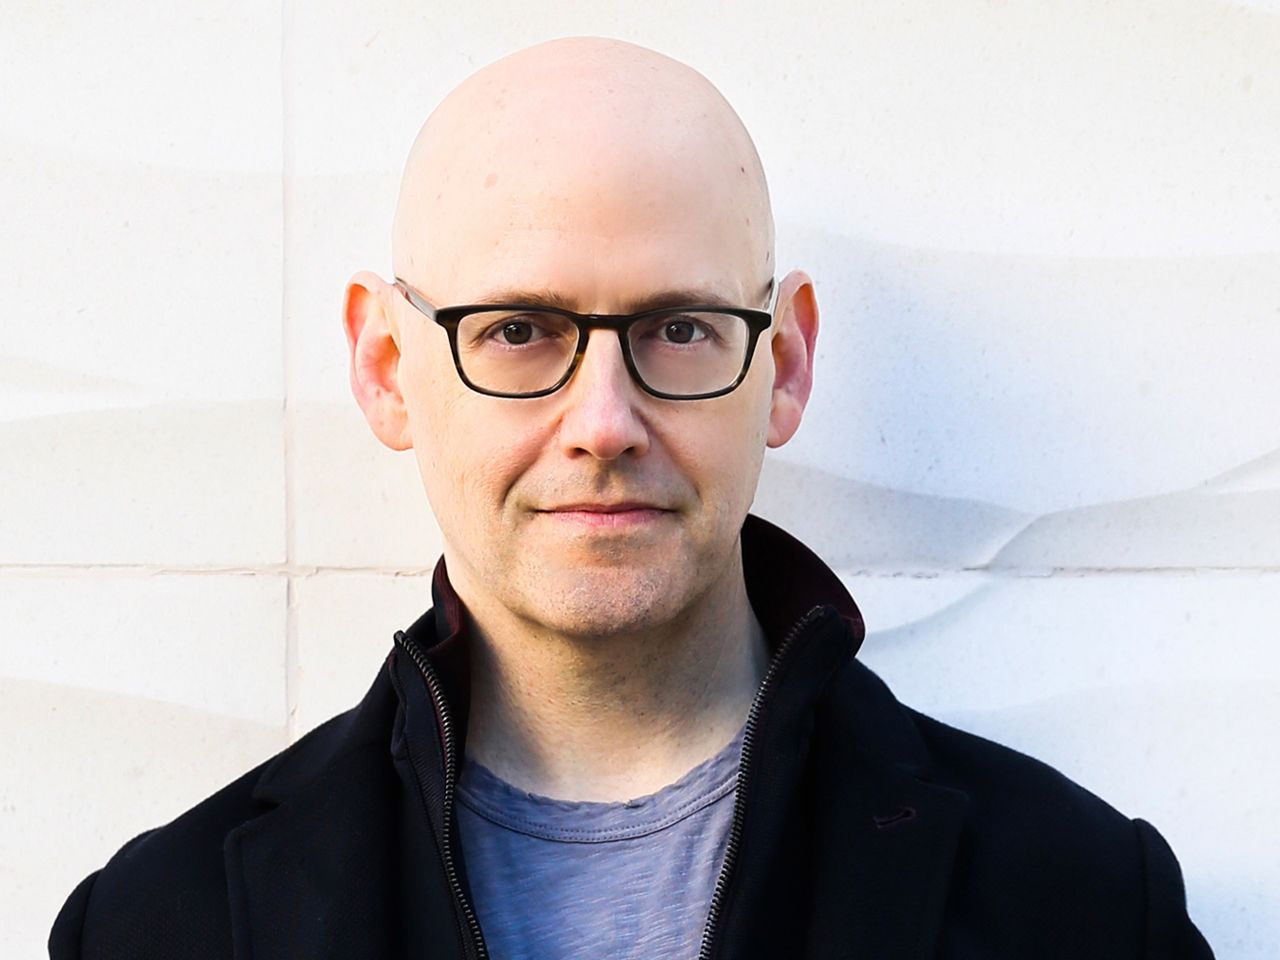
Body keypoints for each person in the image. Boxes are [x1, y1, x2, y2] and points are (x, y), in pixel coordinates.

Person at [50, 37, 1213, 959]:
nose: (602, 422)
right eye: (515, 331)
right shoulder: (161, 927)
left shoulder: (1082, 906)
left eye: (677, 328)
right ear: (387, 369)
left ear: (785, 365)